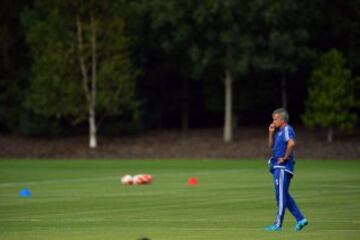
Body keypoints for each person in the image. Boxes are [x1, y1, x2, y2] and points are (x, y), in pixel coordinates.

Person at [264, 108, 308, 232]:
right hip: (278, 167)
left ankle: (277, 225)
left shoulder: (287, 129)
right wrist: (271, 132)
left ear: (282, 120)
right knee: (283, 195)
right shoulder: (279, 132)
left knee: (281, 197)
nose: (273, 121)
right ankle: (300, 219)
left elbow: (292, 143)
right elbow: (270, 146)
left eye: (275, 119)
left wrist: (285, 157)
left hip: (283, 167)